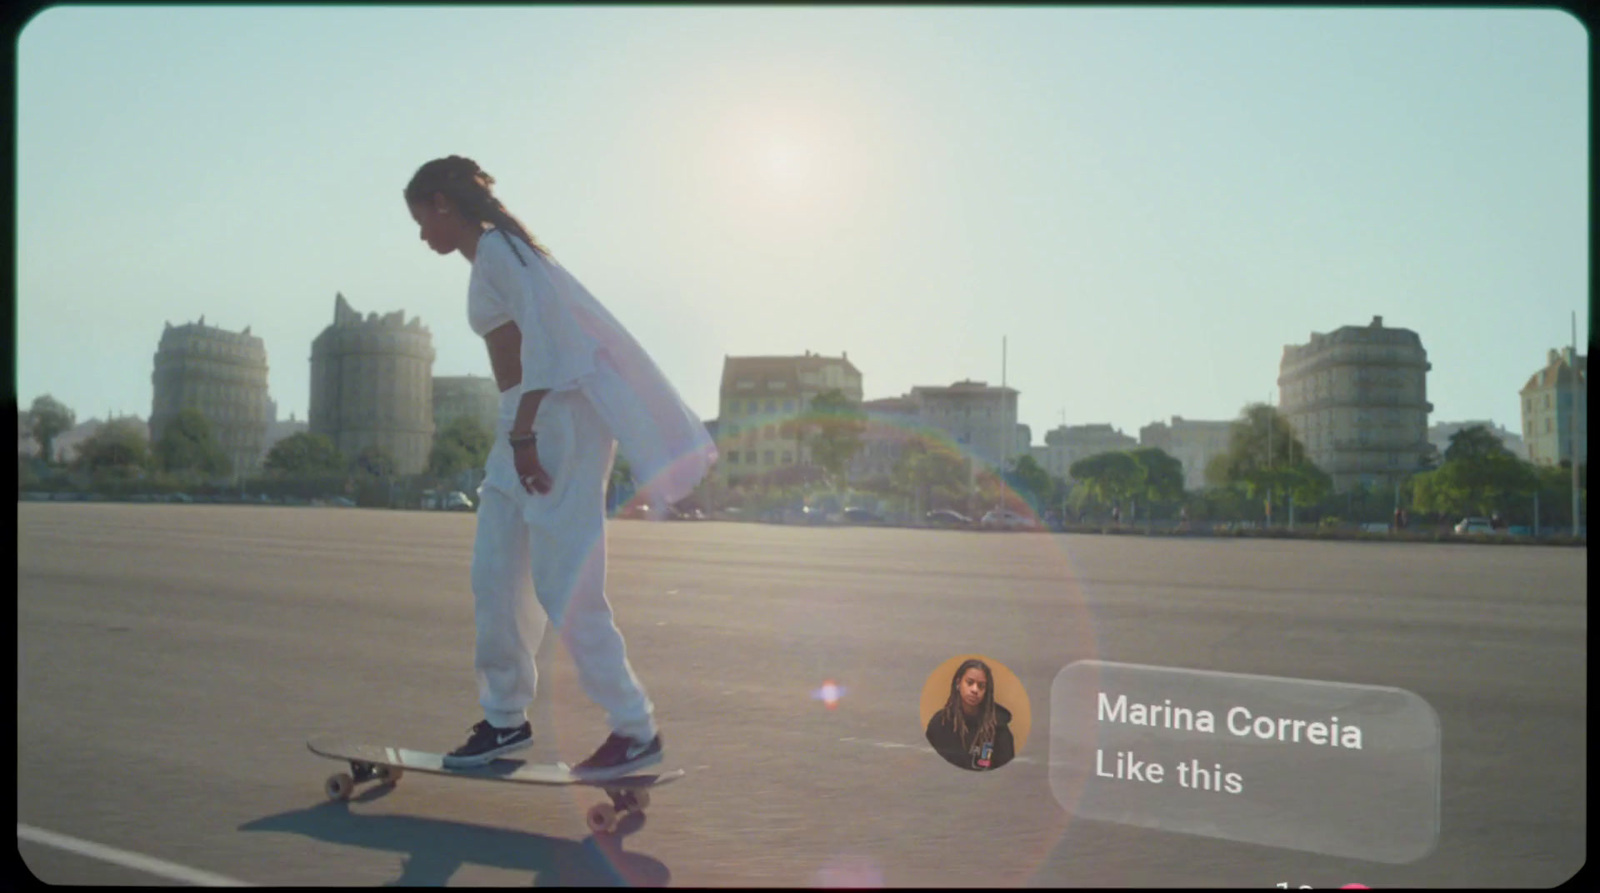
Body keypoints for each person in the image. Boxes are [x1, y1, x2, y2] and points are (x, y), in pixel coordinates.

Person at [404, 156, 716, 778]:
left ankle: (634, 728)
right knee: (494, 574)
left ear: (442, 203)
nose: (421, 235)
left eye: (420, 219)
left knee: (562, 581)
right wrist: (514, 429)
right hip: (520, 422)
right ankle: (503, 718)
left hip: (554, 422)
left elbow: (553, 343)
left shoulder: (500, 251)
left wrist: (525, 432)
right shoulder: (497, 257)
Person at [925, 658, 1016, 771]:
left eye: (981, 686)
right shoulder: (940, 723)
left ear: (986, 691)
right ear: (958, 683)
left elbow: (1006, 772)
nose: (974, 690)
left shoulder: (998, 728)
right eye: (969, 682)